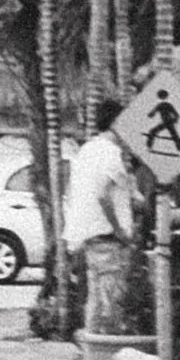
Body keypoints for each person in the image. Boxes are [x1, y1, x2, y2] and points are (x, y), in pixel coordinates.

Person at [61, 101, 143, 339]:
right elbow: (103, 196)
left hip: (90, 235)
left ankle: (95, 357)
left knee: (96, 299)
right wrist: (120, 231)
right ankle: (106, 356)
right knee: (111, 302)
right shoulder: (110, 152)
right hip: (108, 236)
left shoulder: (87, 150)